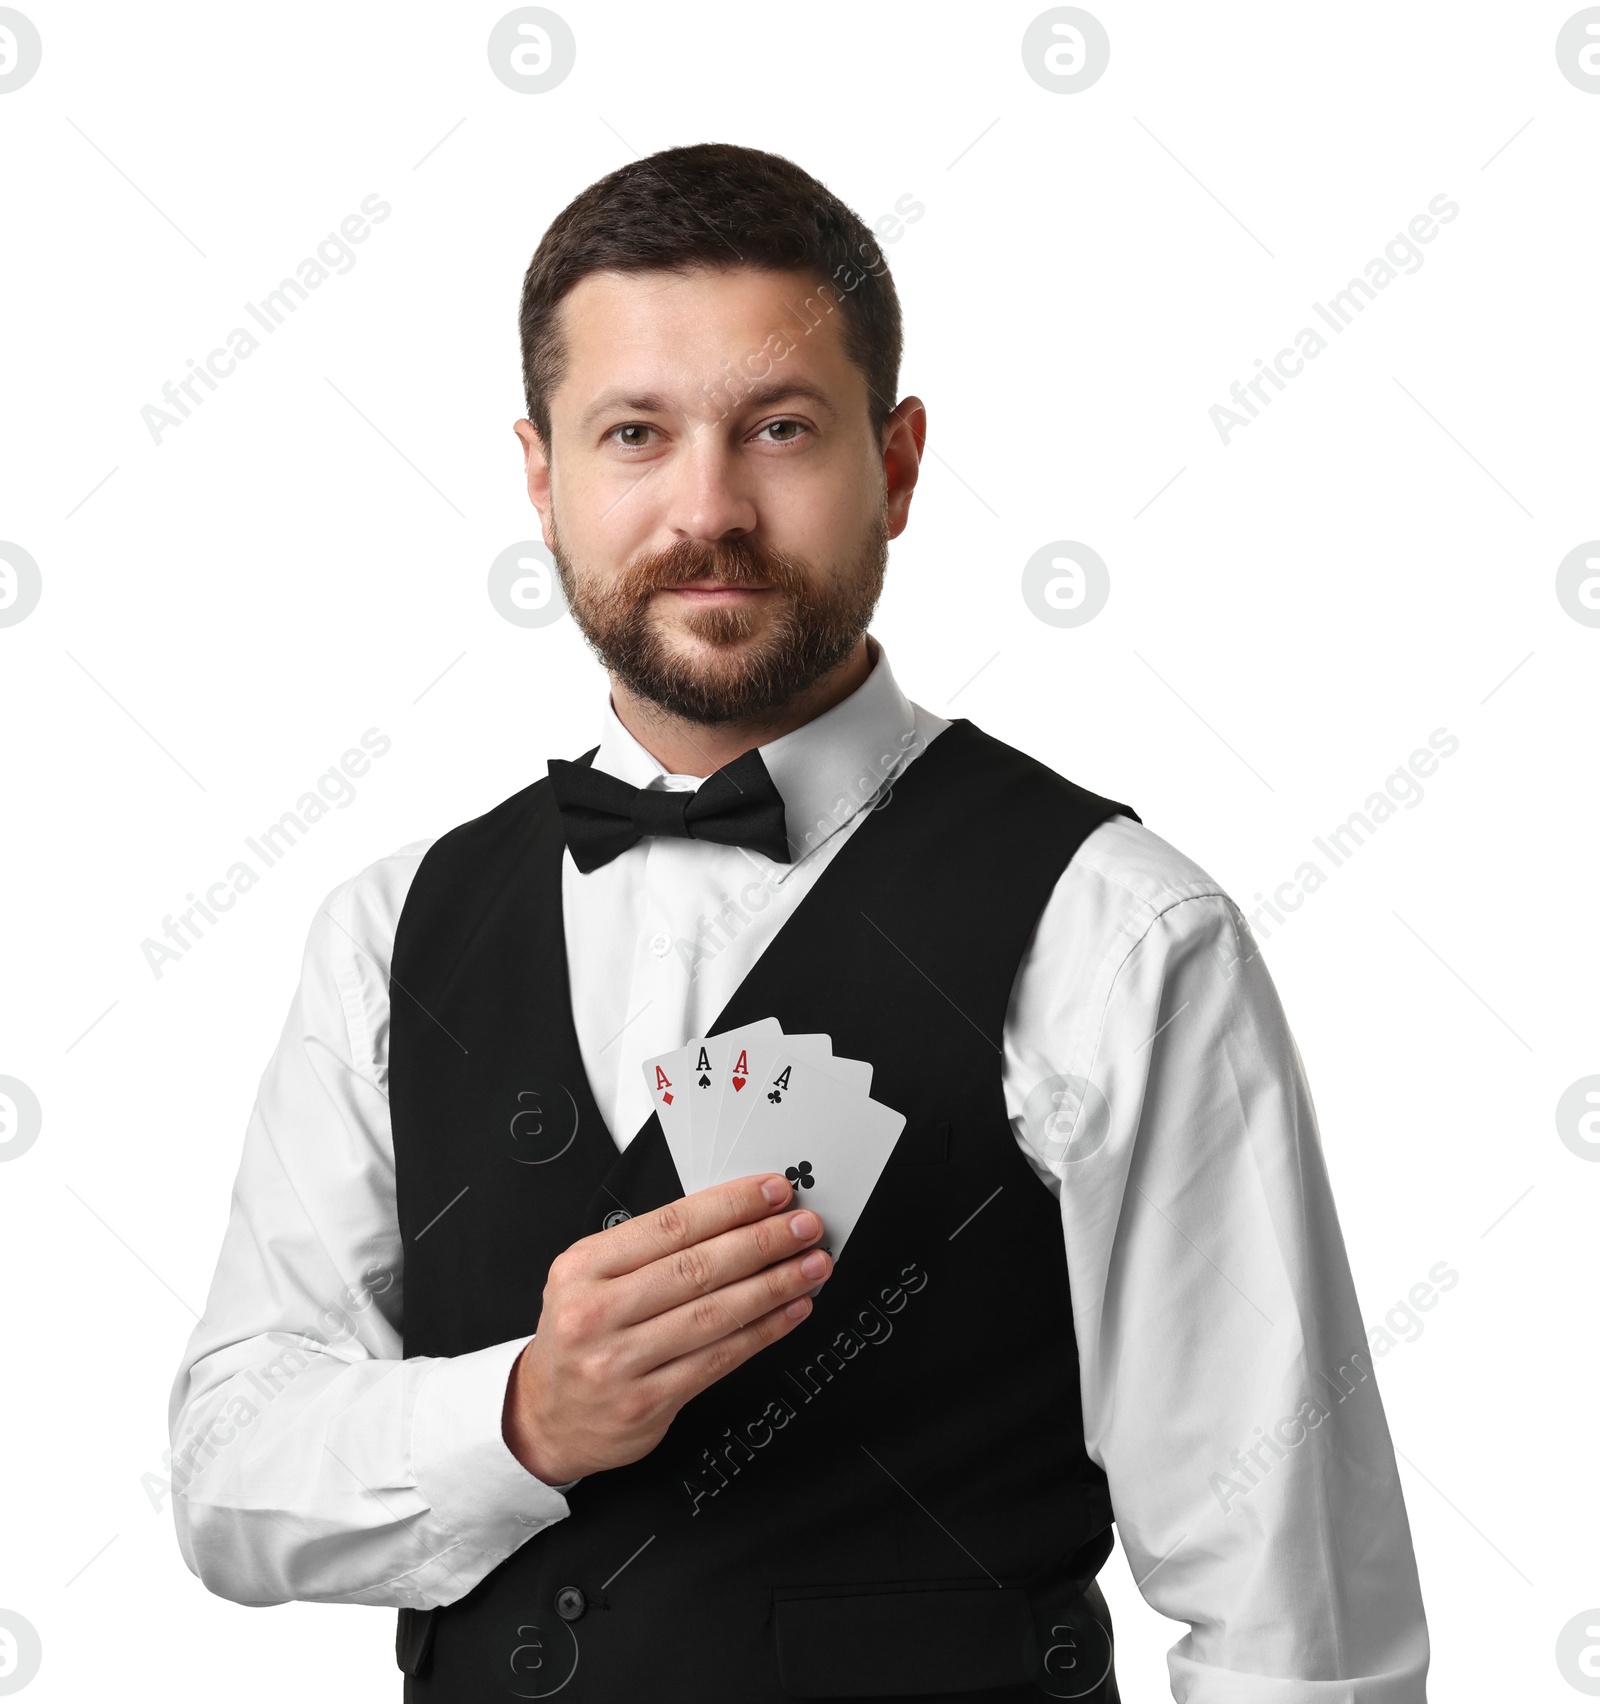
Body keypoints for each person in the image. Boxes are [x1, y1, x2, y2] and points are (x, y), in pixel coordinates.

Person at [169, 142, 1430, 1702]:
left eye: (778, 429)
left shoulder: (1117, 930)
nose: (708, 508)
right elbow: (227, 1475)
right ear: (540, 476)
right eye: (635, 433)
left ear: (895, 465)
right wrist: (525, 1419)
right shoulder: (385, 932)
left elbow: (1290, 1616)